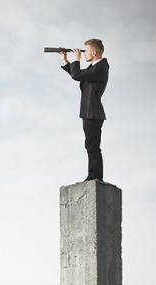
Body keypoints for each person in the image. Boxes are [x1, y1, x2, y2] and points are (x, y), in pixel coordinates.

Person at [60, 39, 109, 181]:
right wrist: (65, 61)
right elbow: (78, 74)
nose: (83, 53)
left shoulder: (101, 67)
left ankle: (96, 178)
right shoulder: (94, 68)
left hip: (93, 113)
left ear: (94, 53)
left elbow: (77, 75)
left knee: (93, 147)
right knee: (90, 146)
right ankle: (92, 176)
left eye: (85, 51)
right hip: (89, 113)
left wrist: (76, 59)